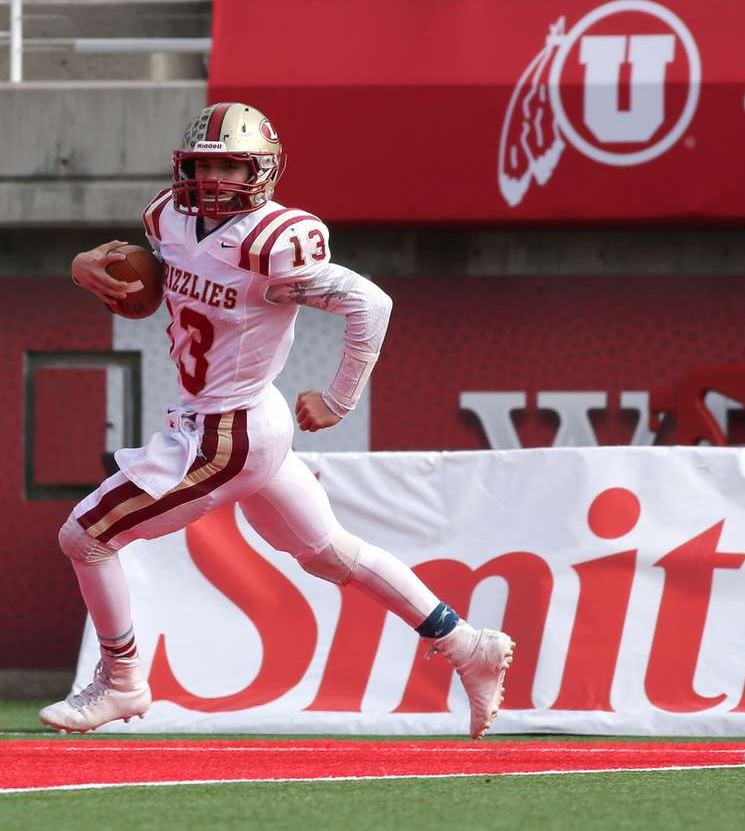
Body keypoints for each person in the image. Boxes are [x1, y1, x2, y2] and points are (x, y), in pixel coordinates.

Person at [42, 102, 514, 738]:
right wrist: (81, 265)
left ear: (262, 170)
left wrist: (340, 398)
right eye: (204, 166)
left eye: (231, 165)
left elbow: (370, 304)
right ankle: (469, 647)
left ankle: (122, 681)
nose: (214, 181)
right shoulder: (167, 216)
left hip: (227, 429)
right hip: (241, 419)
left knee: (87, 536)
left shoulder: (275, 241)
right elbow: (143, 272)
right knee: (330, 554)